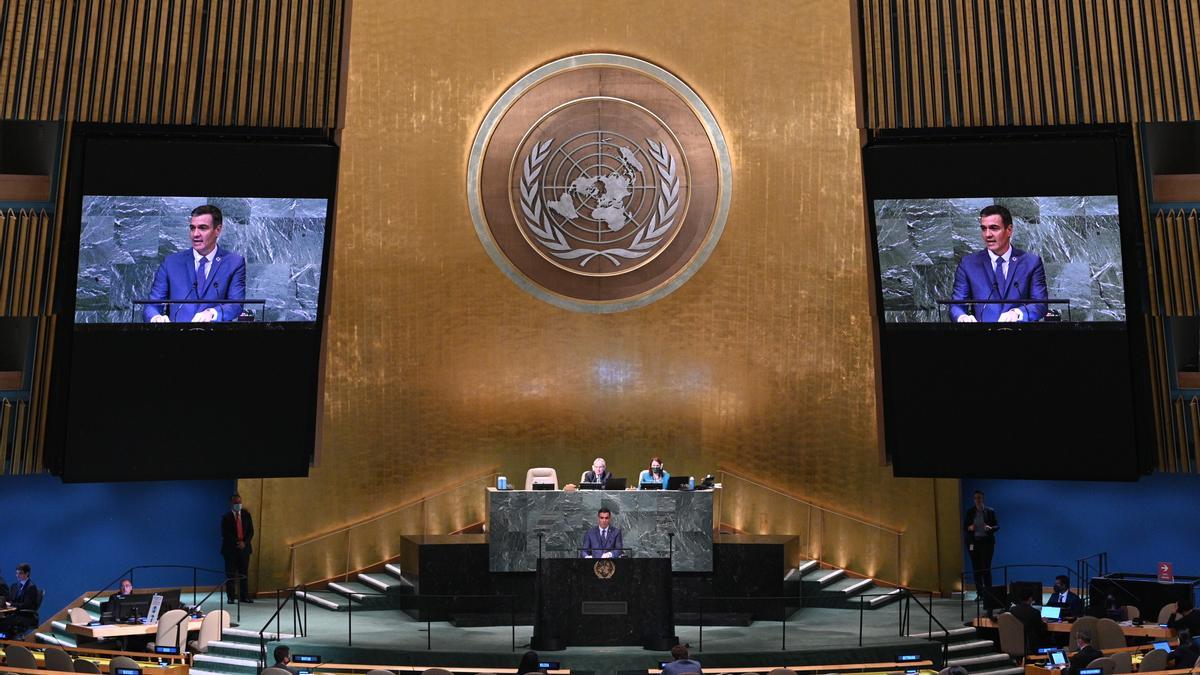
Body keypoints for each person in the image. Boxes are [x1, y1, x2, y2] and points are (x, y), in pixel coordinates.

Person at [144, 204, 246, 323]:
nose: (195, 234)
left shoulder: (234, 263)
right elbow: (152, 305)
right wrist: (156, 318)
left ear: (217, 230)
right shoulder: (171, 263)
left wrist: (212, 313)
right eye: (192, 228)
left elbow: (236, 305)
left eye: (202, 228)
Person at [950, 204, 1048, 323]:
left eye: (994, 228)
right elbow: (957, 305)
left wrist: (1017, 313)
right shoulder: (968, 264)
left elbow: (1040, 304)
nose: (987, 235)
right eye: (983, 228)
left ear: (1009, 230)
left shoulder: (1031, 263)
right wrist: (962, 317)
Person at [221, 494, 255, 603]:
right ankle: (231, 597)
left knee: (244, 573)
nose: (238, 505)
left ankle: (244, 596)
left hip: (244, 549)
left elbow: (251, 531)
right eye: (236, 503)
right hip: (230, 550)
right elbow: (225, 534)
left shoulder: (246, 515)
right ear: (231, 504)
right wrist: (237, 542)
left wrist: (244, 543)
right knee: (230, 574)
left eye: (240, 502)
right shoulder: (226, 517)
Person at [964, 490, 998, 592]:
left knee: (986, 569)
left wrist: (990, 528)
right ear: (974, 500)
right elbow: (965, 527)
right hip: (973, 543)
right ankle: (980, 594)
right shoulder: (970, 512)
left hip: (987, 543)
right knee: (976, 570)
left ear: (983, 499)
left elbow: (997, 525)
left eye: (979, 498)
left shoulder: (990, 511)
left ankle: (989, 594)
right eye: (975, 498)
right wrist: (970, 527)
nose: (977, 500)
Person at [0, 563, 40, 636]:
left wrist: (11, 604)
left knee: (3, 622)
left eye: (20, 573)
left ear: (27, 573)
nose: (17, 575)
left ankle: (8, 643)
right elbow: (10, 599)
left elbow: (27, 605)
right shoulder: (14, 586)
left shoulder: (31, 587)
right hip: (16, 613)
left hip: (25, 616)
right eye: (16, 573)